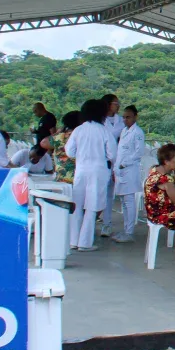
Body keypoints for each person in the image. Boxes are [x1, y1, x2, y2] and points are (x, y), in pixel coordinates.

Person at [66, 99, 117, 252]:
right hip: (99, 171)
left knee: (78, 205)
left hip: (81, 170)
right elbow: (112, 154)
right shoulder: (104, 131)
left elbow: (69, 151)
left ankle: (73, 241)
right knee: (92, 207)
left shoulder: (78, 130)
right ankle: (85, 243)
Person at [110, 105, 145, 243]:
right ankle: (125, 230)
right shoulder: (124, 131)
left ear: (135, 117)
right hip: (121, 170)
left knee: (129, 201)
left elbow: (138, 152)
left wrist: (124, 164)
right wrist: (116, 168)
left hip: (129, 170)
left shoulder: (138, 132)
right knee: (124, 202)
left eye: (128, 117)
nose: (125, 119)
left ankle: (129, 232)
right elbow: (120, 152)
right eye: (124, 117)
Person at [144, 143, 175, 234]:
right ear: (166, 161)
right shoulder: (166, 179)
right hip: (164, 216)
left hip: (152, 213)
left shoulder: (153, 170)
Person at [43, 110, 80, 184]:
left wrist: (58, 132)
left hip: (61, 180)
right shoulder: (82, 137)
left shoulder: (60, 137)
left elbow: (43, 143)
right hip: (79, 180)